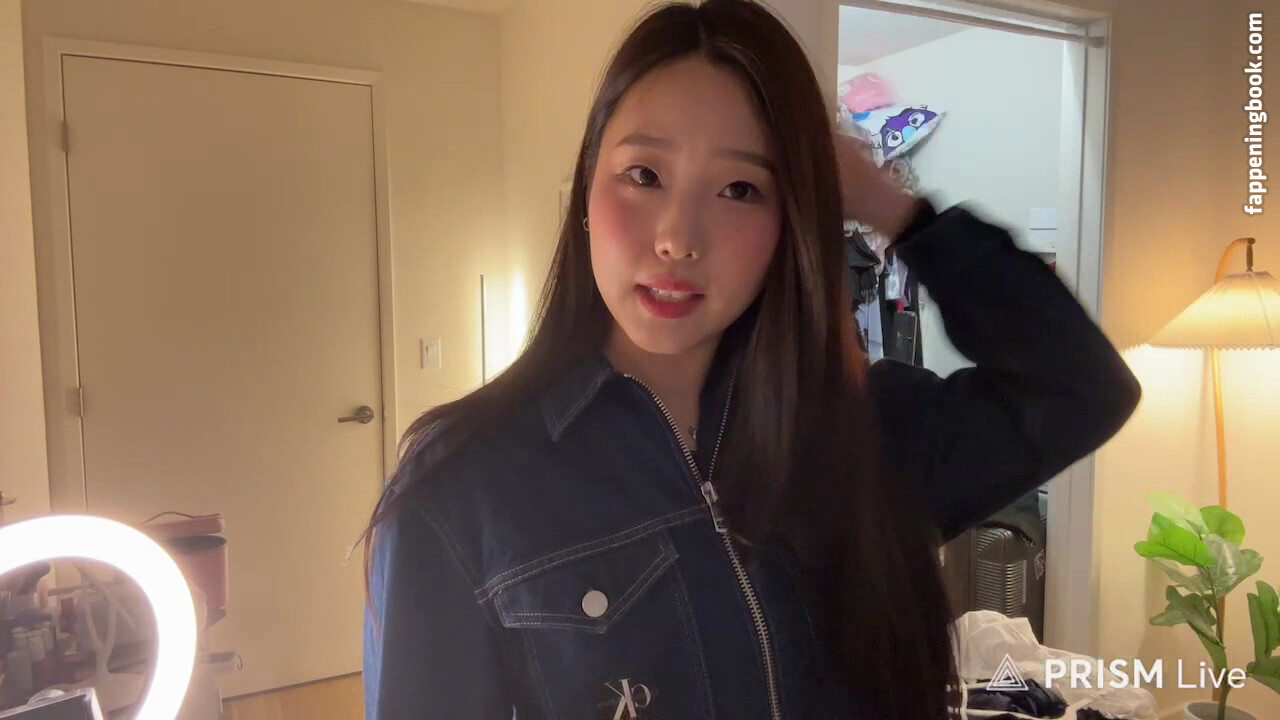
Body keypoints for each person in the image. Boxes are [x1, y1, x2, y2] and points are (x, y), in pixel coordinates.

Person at [362, 1, 1142, 718]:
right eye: (644, 175)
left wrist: (890, 206)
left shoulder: (867, 433)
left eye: (740, 189)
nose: (678, 238)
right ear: (587, 190)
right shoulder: (464, 486)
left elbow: (1082, 387)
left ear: (789, 221)